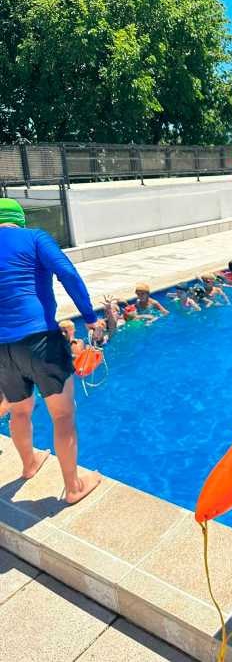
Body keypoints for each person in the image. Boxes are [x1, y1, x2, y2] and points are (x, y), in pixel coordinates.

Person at [0, 198, 101, 503]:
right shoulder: (35, 237)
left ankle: (29, 465)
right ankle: (73, 487)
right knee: (63, 415)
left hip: (2, 347)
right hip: (40, 339)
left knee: (19, 410)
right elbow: (67, 273)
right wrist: (90, 317)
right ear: (19, 219)